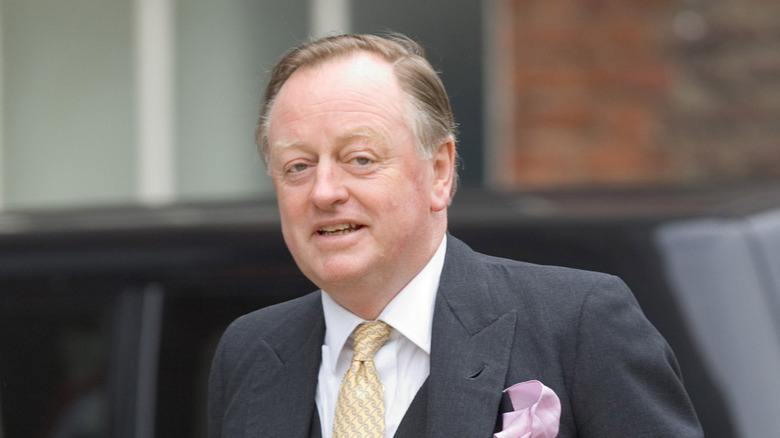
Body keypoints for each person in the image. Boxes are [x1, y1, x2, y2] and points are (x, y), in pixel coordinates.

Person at [208, 33, 703, 437]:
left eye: (360, 158)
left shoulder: (578, 324)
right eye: (298, 166)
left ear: (440, 171)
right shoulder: (250, 351)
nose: (325, 191)